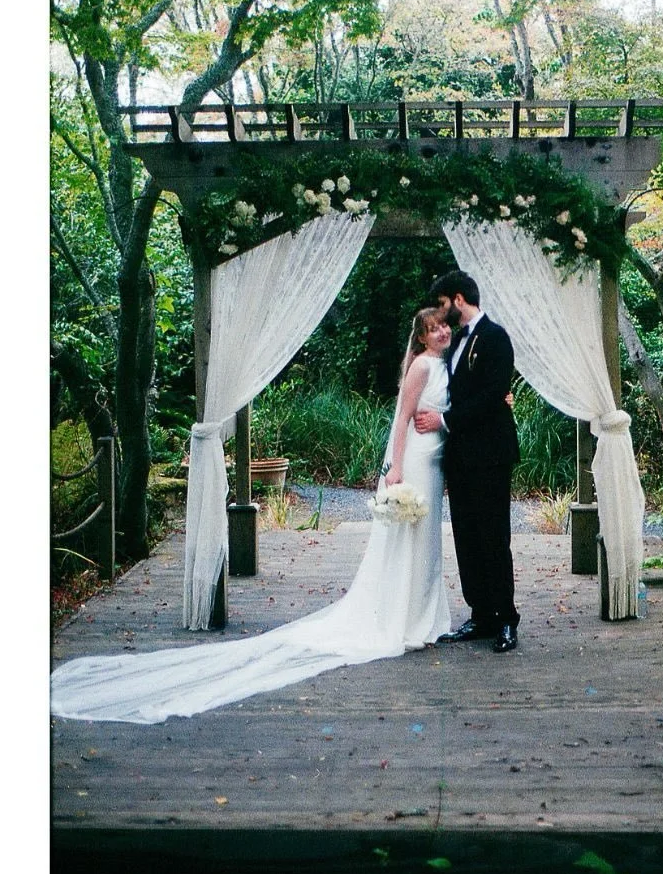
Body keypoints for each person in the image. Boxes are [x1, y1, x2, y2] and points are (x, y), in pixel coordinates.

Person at [49, 309, 454, 725]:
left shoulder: (444, 363)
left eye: (444, 325)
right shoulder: (422, 365)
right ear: (421, 337)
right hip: (416, 463)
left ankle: (419, 617)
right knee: (411, 540)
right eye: (433, 328)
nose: (442, 331)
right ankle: (405, 620)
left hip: (434, 460)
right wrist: (397, 469)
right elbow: (402, 419)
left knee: (426, 542)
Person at [415, 271, 521, 653]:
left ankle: (506, 618)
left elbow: (493, 394)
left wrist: (444, 421)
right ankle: (480, 614)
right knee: (466, 537)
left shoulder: (495, 337)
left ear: (458, 299)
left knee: (494, 537)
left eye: (442, 305)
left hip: (490, 454)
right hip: (459, 456)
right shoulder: (456, 340)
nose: (440, 316)